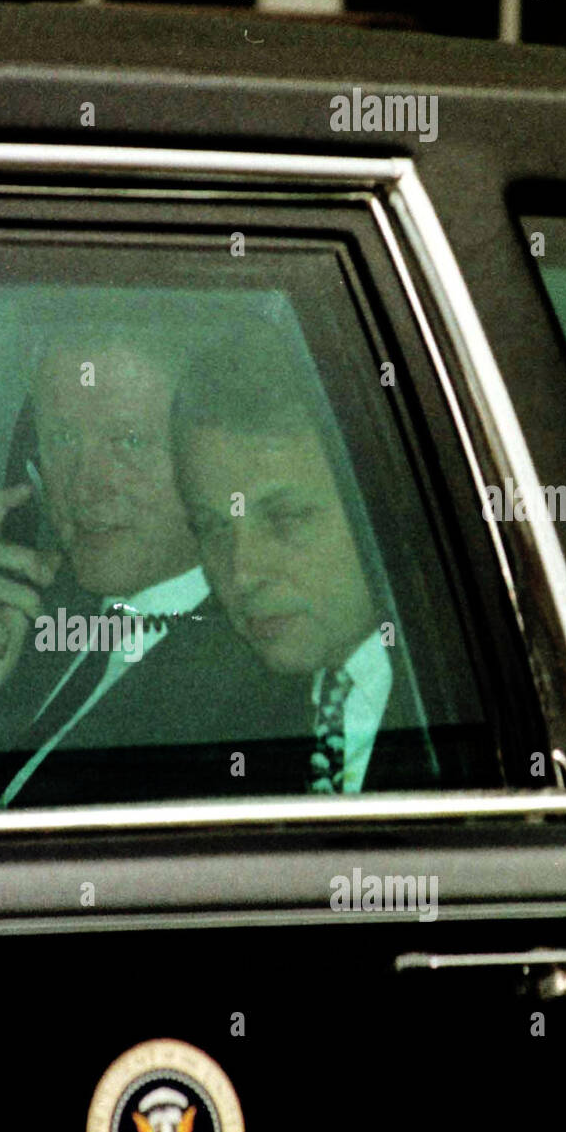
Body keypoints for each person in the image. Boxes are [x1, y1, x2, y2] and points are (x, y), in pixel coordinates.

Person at [0, 318, 277, 813]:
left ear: (214, 460)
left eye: (129, 442)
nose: (84, 484)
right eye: (62, 440)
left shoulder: (260, 672)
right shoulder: (20, 613)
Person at [168, 331, 446, 794]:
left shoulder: (477, 691)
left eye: (287, 518)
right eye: (214, 528)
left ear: (384, 506)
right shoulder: (212, 707)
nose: (241, 573)